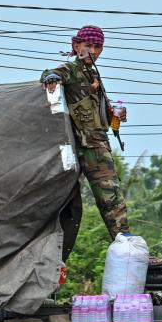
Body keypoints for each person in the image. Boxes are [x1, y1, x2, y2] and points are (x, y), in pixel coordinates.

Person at [41, 25, 129, 240]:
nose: (93, 51)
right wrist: (51, 78)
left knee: (112, 199)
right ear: (76, 46)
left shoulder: (93, 74)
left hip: (97, 143)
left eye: (98, 47)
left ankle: (126, 245)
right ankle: (125, 244)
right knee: (110, 199)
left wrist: (115, 114)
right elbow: (52, 73)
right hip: (85, 146)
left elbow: (98, 113)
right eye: (88, 45)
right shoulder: (72, 69)